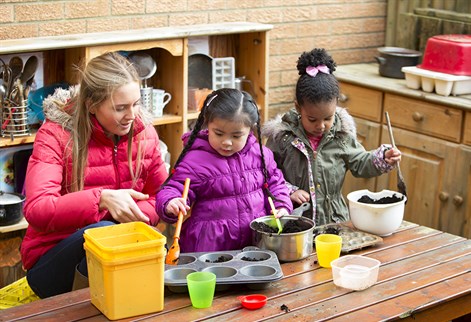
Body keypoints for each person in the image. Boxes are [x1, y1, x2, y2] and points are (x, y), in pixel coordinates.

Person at [21, 52, 168, 298]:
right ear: (91, 105)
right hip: (53, 262)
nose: (132, 116)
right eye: (120, 108)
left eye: (136, 103)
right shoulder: (55, 136)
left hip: (119, 251)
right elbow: (37, 209)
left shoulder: (145, 133)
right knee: (102, 232)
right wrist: (100, 199)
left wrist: (137, 215)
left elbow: (160, 195)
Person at [262, 48, 402, 226]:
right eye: (312, 119)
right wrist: (290, 191)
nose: (320, 126)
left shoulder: (341, 136)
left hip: (334, 222)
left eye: (328, 118)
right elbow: (266, 173)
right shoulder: (282, 138)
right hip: (295, 223)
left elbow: (361, 162)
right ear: (298, 108)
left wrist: (383, 157)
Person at [155, 88, 292, 253]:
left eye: (236, 136)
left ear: (250, 130)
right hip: (209, 246)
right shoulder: (196, 159)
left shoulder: (260, 155)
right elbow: (174, 186)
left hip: (254, 241)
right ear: (208, 124)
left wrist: (282, 206)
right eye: (219, 133)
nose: (226, 142)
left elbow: (276, 183)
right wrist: (171, 202)